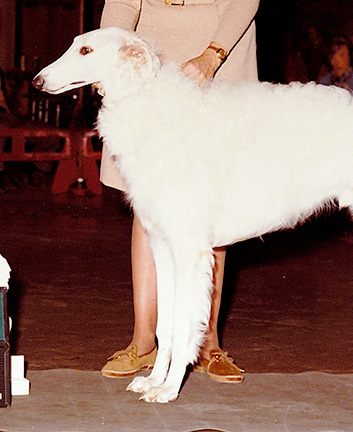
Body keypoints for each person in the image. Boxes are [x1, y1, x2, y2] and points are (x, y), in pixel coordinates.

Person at [98, 0, 259, 383]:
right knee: (149, 204)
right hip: (152, 51)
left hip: (222, 50)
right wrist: (108, 55)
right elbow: (122, 3)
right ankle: (143, 341)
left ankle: (207, 343)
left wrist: (211, 56)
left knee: (211, 206)